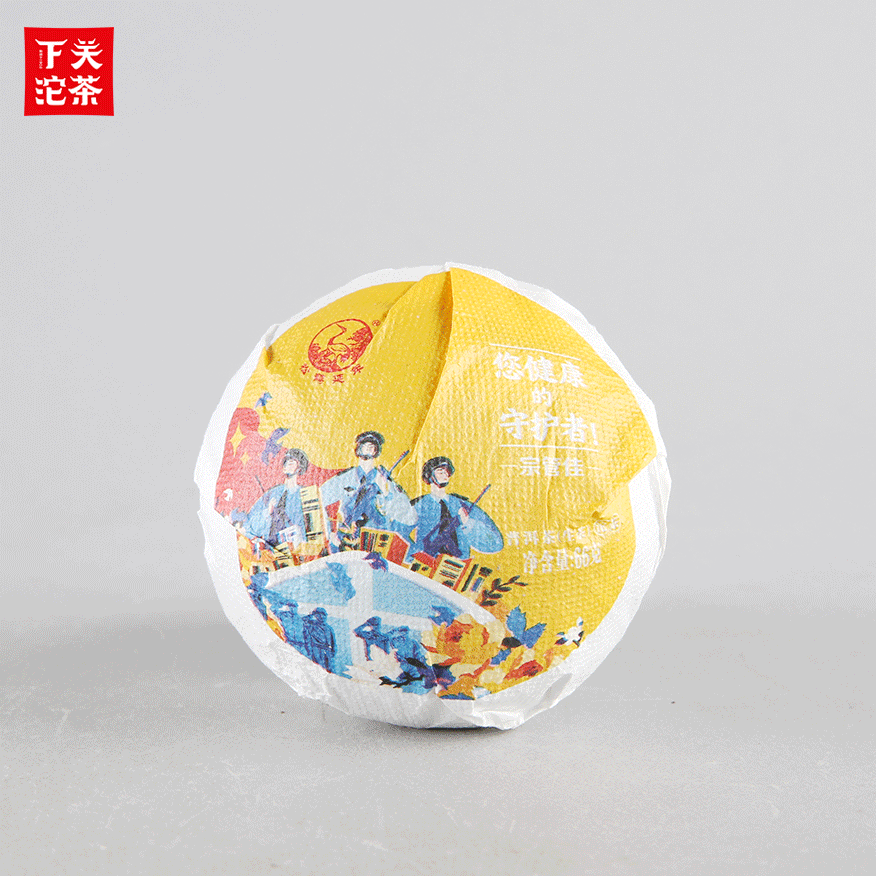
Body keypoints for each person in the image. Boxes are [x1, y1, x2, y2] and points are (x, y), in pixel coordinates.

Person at [320, 431, 416, 549]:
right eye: (364, 445)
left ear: (377, 451)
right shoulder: (346, 477)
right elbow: (319, 498)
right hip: (345, 540)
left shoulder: (384, 481)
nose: (368, 448)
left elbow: (410, 518)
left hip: (376, 543)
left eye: (372, 446)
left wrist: (386, 492)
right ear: (358, 449)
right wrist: (330, 533)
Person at [408, 456, 503, 560]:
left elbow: (495, 543)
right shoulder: (420, 504)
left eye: (447, 472)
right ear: (429, 475)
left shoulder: (463, 506)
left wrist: (469, 523)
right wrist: (414, 556)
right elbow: (399, 533)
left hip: (457, 565)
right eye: (440, 471)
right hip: (425, 564)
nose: (445, 475)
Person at [243, 448, 309, 547]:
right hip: (271, 547)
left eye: (291, 462)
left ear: (300, 468)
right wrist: (267, 512)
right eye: (285, 462)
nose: (287, 464)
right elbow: (250, 526)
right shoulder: (272, 493)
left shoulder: (305, 494)